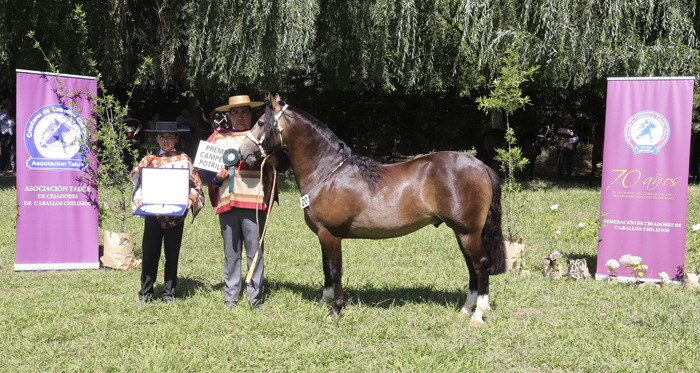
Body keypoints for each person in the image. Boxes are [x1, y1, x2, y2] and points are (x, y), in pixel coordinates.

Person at [199, 95, 289, 310]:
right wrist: (216, 177)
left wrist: (279, 160)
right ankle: (230, 296)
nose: (240, 116)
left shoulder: (262, 134)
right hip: (228, 201)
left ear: (250, 114)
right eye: (235, 113)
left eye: (244, 112)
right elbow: (205, 168)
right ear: (229, 115)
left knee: (255, 252)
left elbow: (284, 155)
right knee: (231, 252)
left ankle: (255, 298)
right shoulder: (217, 138)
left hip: (255, 201)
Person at [130, 121, 204, 307]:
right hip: (153, 216)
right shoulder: (149, 160)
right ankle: (145, 293)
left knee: (172, 255)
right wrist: (138, 198)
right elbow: (138, 183)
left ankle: (168, 293)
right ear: (156, 138)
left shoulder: (184, 159)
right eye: (161, 136)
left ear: (176, 138)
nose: (165, 140)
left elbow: (196, 185)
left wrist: (190, 199)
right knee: (149, 254)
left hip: (175, 217)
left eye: (170, 136)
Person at [554, 114, 580, 181]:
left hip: (569, 148)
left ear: (570, 120)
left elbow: (577, 138)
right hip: (561, 147)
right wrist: (559, 138)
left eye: (568, 119)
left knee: (569, 163)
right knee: (560, 163)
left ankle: (569, 177)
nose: (567, 120)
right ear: (564, 120)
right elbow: (555, 136)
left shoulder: (573, 129)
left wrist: (569, 140)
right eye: (566, 119)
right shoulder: (560, 128)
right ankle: (559, 177)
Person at [0, 99, 16, 172]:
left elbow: (12, 122)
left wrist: (12, 122)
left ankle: (14, 167)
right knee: (4, 151)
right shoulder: (1, 113)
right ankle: (2, 167)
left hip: (11, 134)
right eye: (10, 105)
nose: (11, 106)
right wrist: (12, 121)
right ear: (6, 105)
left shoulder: (9, 113)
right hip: (5, 135)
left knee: (13, 150)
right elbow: (10, 123)